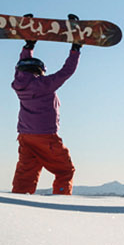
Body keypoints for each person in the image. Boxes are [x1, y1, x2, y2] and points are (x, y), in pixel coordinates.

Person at [11, 39, 81, 195]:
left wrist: (28, 46)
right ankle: (60, 201)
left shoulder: (19, 84)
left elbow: (22, 65)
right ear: (39, 70)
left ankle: (18, 200)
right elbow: (66, 71)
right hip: (45, 137)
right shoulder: (45, 84)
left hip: (25, 137)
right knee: (65, 170)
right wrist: (75, 50)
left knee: (26, 172)